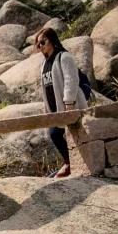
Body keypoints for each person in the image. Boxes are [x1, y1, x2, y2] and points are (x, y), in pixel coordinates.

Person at [35, 26, 87, 178]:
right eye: (38, 44)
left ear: (52, 40)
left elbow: (72, 80)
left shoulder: (64, 57)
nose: (40, 47)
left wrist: (69, 102)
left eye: (42, 42)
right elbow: (46, 88)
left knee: (69, 134)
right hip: (55, 109)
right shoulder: (45, 64)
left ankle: (71, 164)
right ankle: (69, 162)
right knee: (55, 133)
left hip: (70, 105)